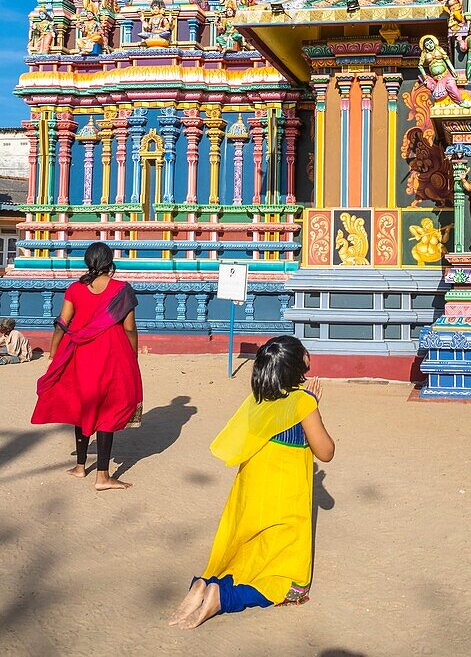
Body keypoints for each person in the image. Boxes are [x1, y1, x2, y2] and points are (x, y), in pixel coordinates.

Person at [169, 336, 335, 630]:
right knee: (287, 582)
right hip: (286, 493)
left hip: (252, 488)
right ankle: (223, 596)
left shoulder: (258, 399)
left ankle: (204, 584)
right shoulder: (303, 401)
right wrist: (312, 406)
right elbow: (326, 451)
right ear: (299, 364)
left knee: (248, 548)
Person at [31, 242, 142, 491]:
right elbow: (129, 328)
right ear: (110, 262)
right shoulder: (122, 290)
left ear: (87, 261)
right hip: (112, 355)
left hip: (80, 355)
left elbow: (61, 323)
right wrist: (133, 354)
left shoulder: (74, 289)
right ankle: (102, 476)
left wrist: (53, 354)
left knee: (84, 405)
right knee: (108, 410)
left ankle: (80, 467)